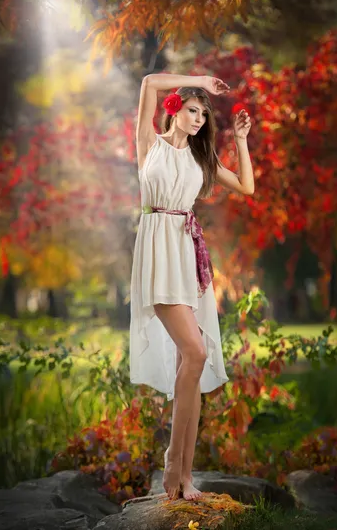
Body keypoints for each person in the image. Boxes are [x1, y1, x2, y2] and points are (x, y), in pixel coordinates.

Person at [129, 73, 254, 502]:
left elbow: (247, 186)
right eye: (192, 110)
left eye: (204, 113)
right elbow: (149, 82)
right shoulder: (150, 145)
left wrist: (239, 139)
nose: (199, 118)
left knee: (193, 363)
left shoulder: (201, 161)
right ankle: (171, 461)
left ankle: (184, 475)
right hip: (156, 256)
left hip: (185, 259)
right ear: (175, 109)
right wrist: (200, 79)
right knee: (196, 353)